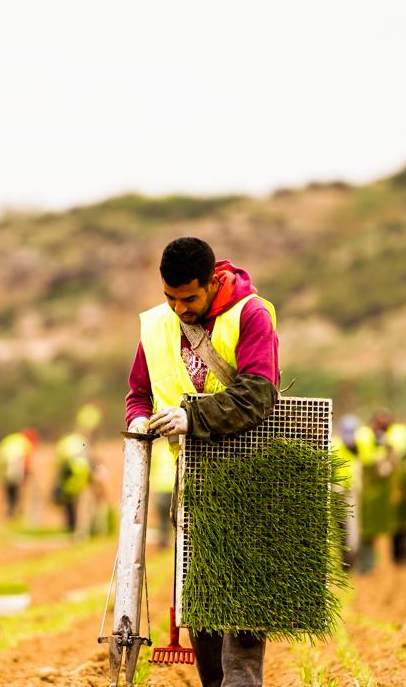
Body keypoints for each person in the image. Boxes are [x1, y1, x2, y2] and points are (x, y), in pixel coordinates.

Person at [125, 237, 279, 687]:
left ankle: (243, 680)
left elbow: (257, 394)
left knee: (245, 583)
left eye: (189, 298)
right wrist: (138, 422)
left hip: (251, 468)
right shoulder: (156, 326)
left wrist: (192, 416)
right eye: (170, 297)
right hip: (193, 475)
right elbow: (139, 392)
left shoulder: (250, 314)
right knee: (200, 588)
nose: (179, 309)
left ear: (213, 282)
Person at [354, 411, 406, 572]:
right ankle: (367, 566)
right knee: (367, 529)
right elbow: (368, 459)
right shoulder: (366, 436)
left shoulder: (395, 437)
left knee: (396, 525)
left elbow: (392, 458)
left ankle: (400, 560)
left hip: (386, 488)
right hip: (370, 489)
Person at [332, 415, 362, 571]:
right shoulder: (335, 446)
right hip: (338, 493)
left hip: (352, 493)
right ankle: (346, 564)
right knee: (343, 529)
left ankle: (350, 564)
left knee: (352, 530)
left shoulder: (360, 447)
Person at [0, 428, 37, 518]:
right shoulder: (24, 442)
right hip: (16, 461)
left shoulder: (9, 439)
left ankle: (10, 507)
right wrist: (28, 471)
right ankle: (15, 508)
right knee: (18, 486)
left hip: (3, 462)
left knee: (8, 485)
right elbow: (26, 457)